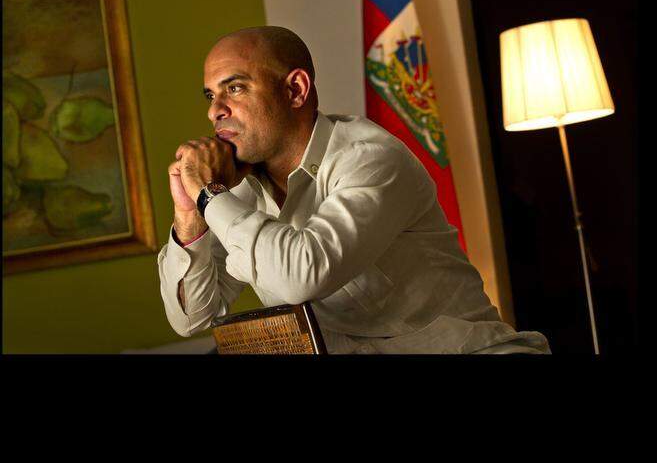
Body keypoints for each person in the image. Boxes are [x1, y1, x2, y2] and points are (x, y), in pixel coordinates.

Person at [157, 26, 550, 354]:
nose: (214, 111)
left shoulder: (370, 158)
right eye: (211, 95)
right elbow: (191, 318)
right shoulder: (240, 190)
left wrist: (209, 195)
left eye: (236, 88)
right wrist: (190, 215)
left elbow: (299, 275)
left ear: (295, 90)